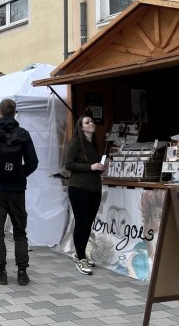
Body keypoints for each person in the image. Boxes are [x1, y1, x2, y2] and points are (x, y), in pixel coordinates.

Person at [0, 99, 38, 286]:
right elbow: (33, 162)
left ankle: (1, 272)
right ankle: (22, 273)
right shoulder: (24, 134)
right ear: (15, 112)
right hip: (17, 189)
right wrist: (19, 174)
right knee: (20, 232)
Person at [64, 115, 106, 276]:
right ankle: (80, 257)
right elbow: (69, 164)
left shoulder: (93, 144)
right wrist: (91, 167)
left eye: (92, 121)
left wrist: (100, 167)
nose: (91, 124)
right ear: (81, 127)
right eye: (87, 122)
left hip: (94, 188)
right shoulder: (75, 143)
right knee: (81, 222)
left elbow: (93, 166)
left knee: (88, 223)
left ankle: (80, 253)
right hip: (79, 188)